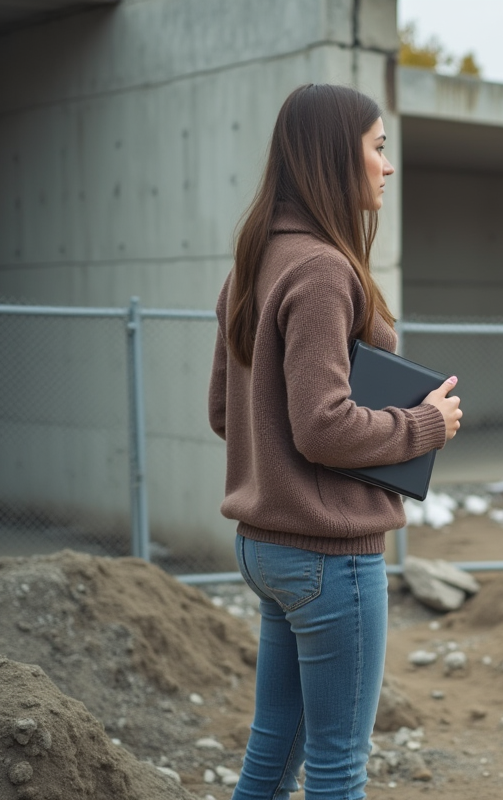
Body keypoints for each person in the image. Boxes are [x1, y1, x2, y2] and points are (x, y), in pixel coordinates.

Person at [208, 83, 462, 800]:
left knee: (272, 755)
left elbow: (227, 413)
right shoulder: (321, 269)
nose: (388, 166)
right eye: (378, 148)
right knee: (337, 768)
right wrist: (426, 426)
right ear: (331, 157)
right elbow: (322, 424)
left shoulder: (254, 262)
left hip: (267, 548)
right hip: (328, 559)